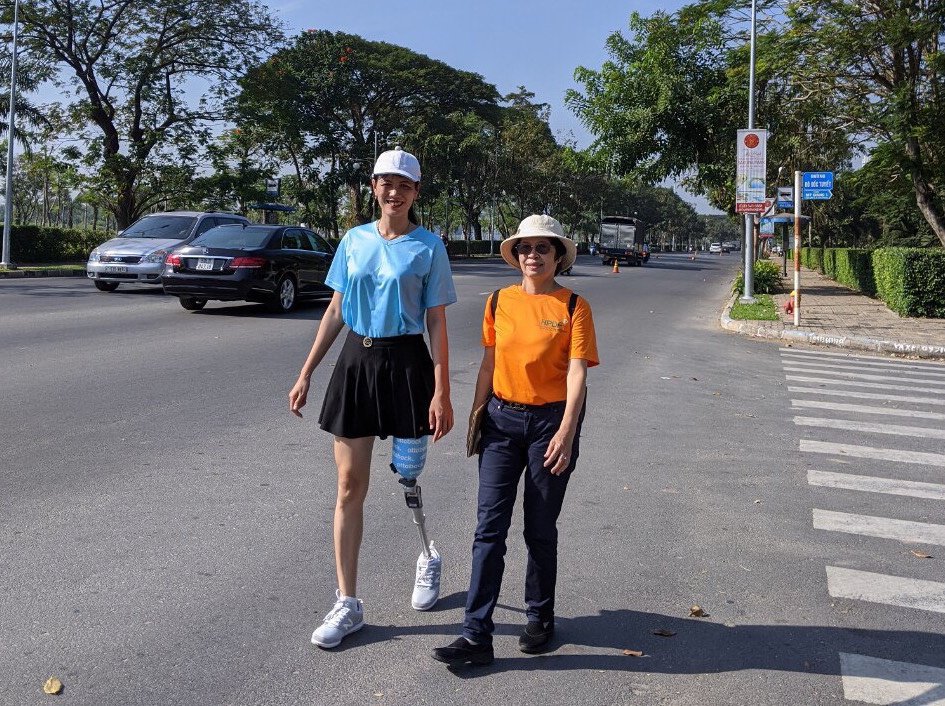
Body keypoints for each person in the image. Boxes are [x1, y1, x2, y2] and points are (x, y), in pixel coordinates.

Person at [289, 147, 456, 649]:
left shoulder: (428, 247)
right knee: (348, 486)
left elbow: (436, 322)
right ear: (374, 187)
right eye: (386, 182)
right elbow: (336, 309)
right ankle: (348, 602)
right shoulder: (354, 240)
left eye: (404, 185)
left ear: (415, 193)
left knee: (408, 473)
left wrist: (442, 390)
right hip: (356, 364)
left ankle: (428, 555)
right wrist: (306, 372)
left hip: (407, 365)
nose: (394, 191)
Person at [432, 214, 599, 667]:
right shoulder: (497, 302)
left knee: (539, 528)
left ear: (558, 257)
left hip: (550, 426)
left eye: (543, 249)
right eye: (525, 248)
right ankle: (475, 635)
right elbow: (489, 364)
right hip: (502, 423)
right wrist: (474, 416)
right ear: (516, 256)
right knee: (489, 530)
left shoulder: (572, 306)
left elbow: (578, 373)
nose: (532, 256)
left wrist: (567, 431)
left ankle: (540, 618)